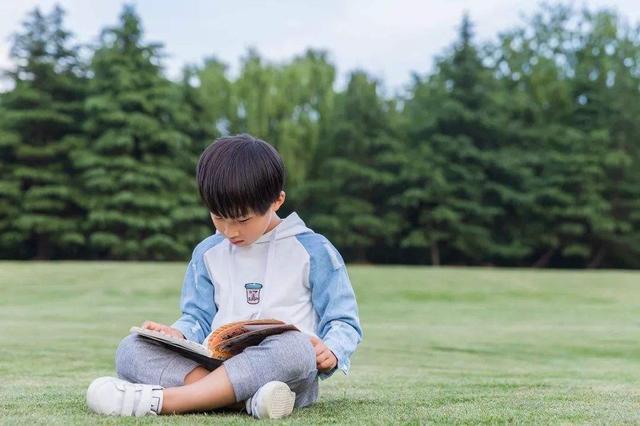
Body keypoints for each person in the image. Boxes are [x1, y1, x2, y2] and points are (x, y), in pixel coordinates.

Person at [85, 134, 363, 418]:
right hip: (214, 365)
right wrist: (176, 333)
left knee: (296, 347)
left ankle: (166, 401)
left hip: (283, 372)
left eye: (242, 220)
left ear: (277, 200)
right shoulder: (207, 253)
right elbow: (197, 317)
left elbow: (343, 320)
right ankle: (245, 401)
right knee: (131, 348)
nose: (230, 231)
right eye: (218, 217)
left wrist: (332, 351)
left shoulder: (313, 250)